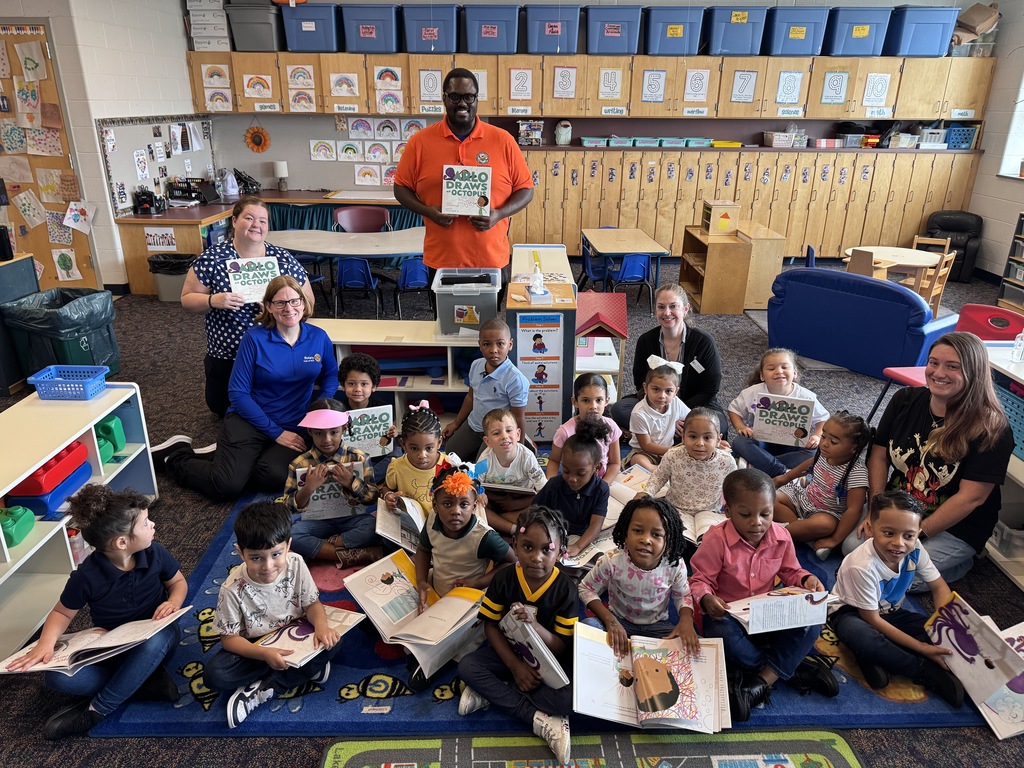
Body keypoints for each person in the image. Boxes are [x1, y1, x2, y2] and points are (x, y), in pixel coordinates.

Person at [5, 486, 187, 739]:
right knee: (57, 679)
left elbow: (177, 583)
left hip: (157, 636)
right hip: (113, 648)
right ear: (122, 542)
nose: (153, 524)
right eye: (146, 523)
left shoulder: (154, 552)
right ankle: (142, 682)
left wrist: (174, 602)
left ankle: (97, 710)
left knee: (156, 640)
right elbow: (62, 613)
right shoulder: (87, 575)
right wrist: (45, 645)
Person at [844, 332, 1014, 587]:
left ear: (973, 373)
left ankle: (962, 562)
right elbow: (879, 454)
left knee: (892, 578)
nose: (938, 372)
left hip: (956, 526)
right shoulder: (905, 400)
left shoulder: (992, 428)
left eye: (952, 366)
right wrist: (877, 508)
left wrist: (915, 534)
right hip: (898, 508)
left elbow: (972, 497)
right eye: (933, 363)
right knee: (850, 548)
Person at [159, 276, 338, 500]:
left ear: (303, 303)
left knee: (272, 477)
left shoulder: (318, 337)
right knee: (226, 486)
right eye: (280, 302)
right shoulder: (254, 338)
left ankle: (227, 457)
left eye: (294, 301)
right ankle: (175, 458)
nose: (289, 308)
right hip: (250, 419)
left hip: (294, 424)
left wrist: (322, 407)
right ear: (269, 306)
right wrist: (276, 433)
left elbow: (331, 375)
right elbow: (237, 393)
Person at [689, 468, 839, 722]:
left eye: (765, 514)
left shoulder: (781, 536)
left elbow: (792, 571)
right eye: (745, 515)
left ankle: (763, 679)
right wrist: (706, 598)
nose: (756, 522)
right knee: (719, 633)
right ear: (728, 512)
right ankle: (787, 667)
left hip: (766, 616)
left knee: (815, 615)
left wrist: (806, 579)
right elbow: (699, 580)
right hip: (729, 618)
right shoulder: (716, 539)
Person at [204, 501, 342, 729]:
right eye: (256, 557)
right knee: (215, 675)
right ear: (241, 552)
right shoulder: (231, 588)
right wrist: (264, 654)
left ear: (288, 546)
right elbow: (229, 639)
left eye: (276, 554)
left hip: (296, 633)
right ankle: (304, 668)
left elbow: (312, 605)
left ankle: (268, 688)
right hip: (256, 645)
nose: (268, 566)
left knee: (335, 640)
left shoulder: (296, 563)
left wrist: (321, 628)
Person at [457, 505, 578, 764]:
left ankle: (496, 691)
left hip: (547, 663)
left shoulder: (566, 589)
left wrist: (534, 627)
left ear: (560, 551)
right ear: (515, 544)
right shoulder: (504, 578)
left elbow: (562, 647)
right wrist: (514, 667)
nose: (537, 557)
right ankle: (534, 716)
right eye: (528, 547)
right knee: (467, 666)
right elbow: (491, 626)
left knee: (569, 699)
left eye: (547, 549)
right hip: (509, 654)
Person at [180, 197, 314, 418]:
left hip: (274, 350)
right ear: (234, 221)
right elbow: (186, 298)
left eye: (262, 221)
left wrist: (281, 310)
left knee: (275, 409)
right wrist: (213, 300)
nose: (256, 225)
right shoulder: (213, 258)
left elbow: (308, 301)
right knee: (220, 407)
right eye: (249, 218)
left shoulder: (282, 259)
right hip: (228, 353)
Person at [829, 491, 964, 706]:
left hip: (890, 613)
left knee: (940, 633)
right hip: (852, 614)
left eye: (908, 536)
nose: (899, 543)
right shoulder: (861, 566)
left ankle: (874, 656)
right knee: (863, 636)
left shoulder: (916, 549)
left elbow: (939, 587)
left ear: (918, 533)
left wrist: (944, 626)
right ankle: (921, 669)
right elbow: (871, 619)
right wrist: (922, 650)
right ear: (871, 529)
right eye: (889, 533)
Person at [394, 68, 534, 275]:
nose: (462, 103)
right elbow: (401, 188)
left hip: (491, 257)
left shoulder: (503, 140)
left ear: (477, 99)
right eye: (455, 96)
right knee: (442, 309)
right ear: (444, 99)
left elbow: (526, 189)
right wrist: (429, 211)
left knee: (489, 309)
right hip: (442, 258)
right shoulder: (419, 142)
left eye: (469, 97)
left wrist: (499, 214)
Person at [579, 496, 699, 658]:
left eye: (656, 534)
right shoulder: (612, 560)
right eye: (637, 531)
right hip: (618, 621)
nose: (646, 540)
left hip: (658, 627)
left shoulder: (674, 565)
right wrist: (610, 621)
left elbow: (683, 595)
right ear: (625, 533)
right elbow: (586, 588)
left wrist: (686, 620)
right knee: (588, 627)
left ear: (668, 541)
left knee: (695, 642)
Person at [610, 284, 727, 435]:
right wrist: (661, 410)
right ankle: (682, 433)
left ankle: (659, 431)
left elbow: (710, 388)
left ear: (685, 309)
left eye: (673, 306)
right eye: (661, 307)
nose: (667, 312)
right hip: (656, 403)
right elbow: (640, 381)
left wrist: (678, 413)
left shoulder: (703, 342)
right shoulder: (645, 340)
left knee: (718, 424)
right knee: (619, 409)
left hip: (694, 405)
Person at [279, 399, 382, 569]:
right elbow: (288, 507)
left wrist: (351, 483)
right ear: (310, 431)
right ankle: (353, 554)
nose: (326, 440)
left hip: (352, 518)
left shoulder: (360, 458)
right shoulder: (299, 463)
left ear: (344, 429)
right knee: (292, 534)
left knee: (373, 527)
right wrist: (308, 488)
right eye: (319, 433)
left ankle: (324, 547)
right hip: (317, 521)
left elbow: (372, 498)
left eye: (333, 432)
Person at [773, 410, 872, 560]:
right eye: (823, 436)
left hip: (826, 512)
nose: (824, 443)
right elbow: (808, 465)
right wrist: (785, 478)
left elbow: (854, 510)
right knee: (771, 498)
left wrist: (834, 540)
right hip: (803, 497)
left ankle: (775, 532)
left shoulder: (856, 472)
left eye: (833, 442)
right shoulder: (824, 454)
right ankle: (801, 532)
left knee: (826, 525)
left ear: (854, 448)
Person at [641, 407, 737, 546]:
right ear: (683, 436)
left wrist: (733, 509)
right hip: (676, 508)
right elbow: (659, 476)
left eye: (707, 437)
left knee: (712, 542)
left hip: (709, 511)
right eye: (692, 436)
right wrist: (646, 492)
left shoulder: (727, 461)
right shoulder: (673, 455)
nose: (699, 443)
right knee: (668, 537)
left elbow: (733, 489)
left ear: (718, 439)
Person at [728, 348, 829, 478]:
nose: (779, 371)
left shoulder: (805, 396)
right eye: (771, 369)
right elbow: (734, 410)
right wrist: (740, 427)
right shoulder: (752, 392)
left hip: (792, 444)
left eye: (784, 367)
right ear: (762, 375)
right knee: (739, 442)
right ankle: (781, 471)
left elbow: (823, 419)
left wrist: (817, 436)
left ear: (794, 373)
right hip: (761, 441)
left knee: (816, 452)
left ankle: (761, 464)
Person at [442, 318, 530, 461]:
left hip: (496, 432)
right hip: (474, 425)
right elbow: (471, 397)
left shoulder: (516, 380)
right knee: (450, 454)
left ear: (510, 345)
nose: (493, 350)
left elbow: (518, 417)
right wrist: (456, 423)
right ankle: (478, 448)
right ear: (480, 345)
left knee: (482, 470)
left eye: (500, 344)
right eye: (487, 344)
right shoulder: (476, 365)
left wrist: (518, 449)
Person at [534, 417, 611, 558]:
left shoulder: (602, 489)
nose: (572, 479)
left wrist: (578, 546)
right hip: (554, 534)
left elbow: (596, 524)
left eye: (581, 473)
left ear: (597, 468)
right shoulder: (554, 485)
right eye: (566, 471)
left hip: (583, 537)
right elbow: (535, 512)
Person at [475, 407, 547, 536]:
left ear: (518, 435)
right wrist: (480, 493)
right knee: (475, 506)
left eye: (509, 430)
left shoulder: (527, 457)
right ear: (487, 441)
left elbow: (543, 489)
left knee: (539, 511)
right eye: (497, 433)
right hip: (495, 504)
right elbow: (474, 483)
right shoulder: (484, 460)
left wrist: (520, 503)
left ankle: (499, 522)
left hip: (521, 505)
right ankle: (513, 529)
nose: (504, 436)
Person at [547, 372, 622, 481]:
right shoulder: (565, 432)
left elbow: (615, 463)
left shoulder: (611, 427)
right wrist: (550, 486)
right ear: (575, 402)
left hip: (603, 482)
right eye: (586, 400)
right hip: (573, 484)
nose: (593, 406)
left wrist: (604, 486)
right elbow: (554, 461)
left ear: (606, 401)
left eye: (599, 400)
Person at [383, 404, 453, 512]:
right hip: (409, 522)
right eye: (414, 449)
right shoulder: (396, 467)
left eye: (429, 448)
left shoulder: (449, 465)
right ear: (403, 444)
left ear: (439, 443)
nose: (422, 455)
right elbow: (387, 487)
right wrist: (388, 496)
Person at [626, 356, 691, 471]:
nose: (662, 396)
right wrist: (675, 451)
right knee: (638, 460)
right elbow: (646, 445)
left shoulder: (675, 402)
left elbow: (693, 419)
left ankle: (664, 469)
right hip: (646, 453)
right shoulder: (639, 413)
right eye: (656, 389)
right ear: (646, 388)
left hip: (668, 451)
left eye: (668, 391)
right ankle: (660, 470)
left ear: (675, 391)